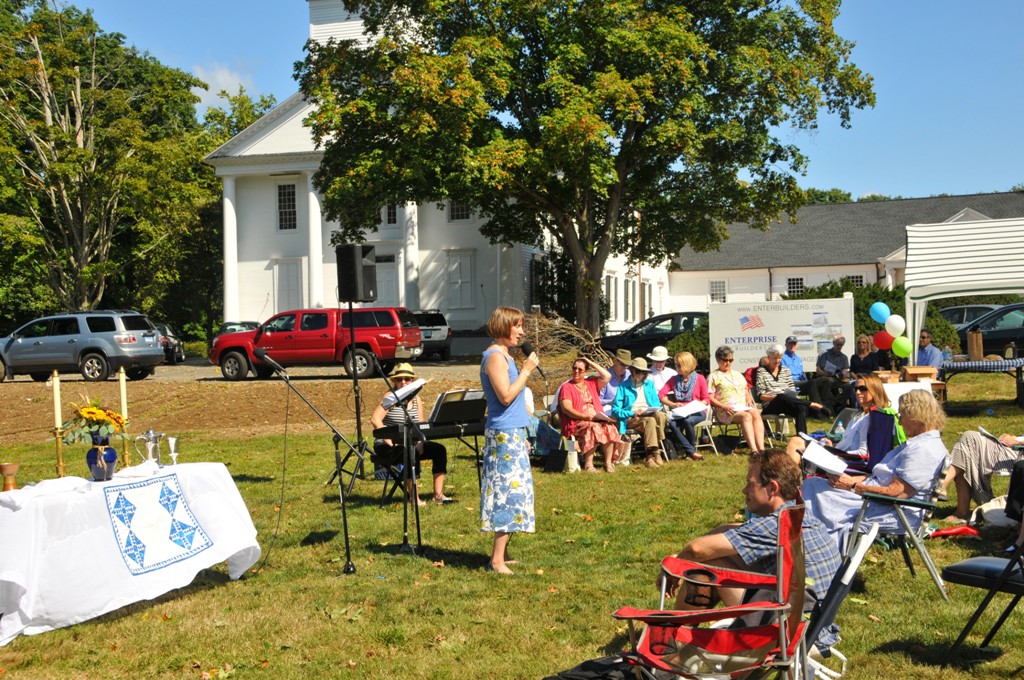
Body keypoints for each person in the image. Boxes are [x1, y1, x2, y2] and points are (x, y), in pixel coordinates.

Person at [660, 450, 840, 644]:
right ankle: (672, 637)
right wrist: (684, 555)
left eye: (750, 484)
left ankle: (667, 640)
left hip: (788, 630)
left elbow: (696, 550)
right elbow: (737, 529)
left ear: (772, 488)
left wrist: (675, 566)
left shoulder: (775, 526)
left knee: (709, 564)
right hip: (814, 625)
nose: (744, 491)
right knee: (712, 560)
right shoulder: (798, 516)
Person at [802, 390, 948, 542]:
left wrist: (853, 486)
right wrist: (848, 479)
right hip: (876, 501)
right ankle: (812, 543)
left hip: (888, 511)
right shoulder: (921, 444)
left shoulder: (924, 449)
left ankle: (814, 545)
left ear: (915, 415)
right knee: (815, 483)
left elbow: (896, 493)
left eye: (901, 416)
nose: (899, 422)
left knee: (814, 489)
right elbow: (883, 478)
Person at [480, 306, 539, 575]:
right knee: (506, 494)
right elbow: (505, 396)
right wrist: (527, 370)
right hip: (502, 434)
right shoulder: (494, 357)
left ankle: (502, 554)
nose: (522, 332)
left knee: (516, 494)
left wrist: (523, 434)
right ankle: (496, 561)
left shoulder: (505, 356)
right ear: (504, 326)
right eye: (517, 326)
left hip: (513, 432)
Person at [370, 363, 451, 506]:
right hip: (388, 446)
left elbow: (420, 423)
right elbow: (375, 419)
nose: (403, 382)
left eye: (407, 379)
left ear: (412, 381)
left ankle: (438, 494)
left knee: (439, 450)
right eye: (399, 379)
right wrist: (388, 439)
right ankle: (414, 498)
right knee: (410, 453)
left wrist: (420, 442)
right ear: (394, 381)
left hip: (411, 442)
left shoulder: (417, 399)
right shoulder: (390, 397)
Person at [784, 374, 903, 466]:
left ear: (875, 390)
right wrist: (833, 446)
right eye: (856, 388)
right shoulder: (859, 415)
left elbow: (864, 453)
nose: (857, 392)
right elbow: (849, 443)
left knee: (796, 442)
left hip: (845, 462)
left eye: (863, 389)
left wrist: (835, 454)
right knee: (797, 442)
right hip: (840, 454)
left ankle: (788, 483)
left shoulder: (872, 417)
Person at [938, 430, 1024, 523]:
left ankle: (941, 485)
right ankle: (959, 508)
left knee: (970, 446)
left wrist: (1017, 440)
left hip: (1019, 452)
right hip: (1017, 447)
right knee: (969, 437)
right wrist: (1016, 437)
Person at [557, 356, 621, 473]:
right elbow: (566, 409)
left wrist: (590, 362)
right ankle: (589, 464)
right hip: (575, 422)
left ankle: (608, 463)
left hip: (595, 418)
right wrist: (584, 416)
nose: (576, 371)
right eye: (574, 368)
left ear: (586, 371)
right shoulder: (567, 387)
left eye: (580, 369)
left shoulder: (591, 383)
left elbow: (607, 376)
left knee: (610, 427)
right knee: (593, 427)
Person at [754, 345, 828, 438]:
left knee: (800, 407)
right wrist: (778, 398)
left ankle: (802, 438)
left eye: (780, 358)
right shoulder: (761, 371)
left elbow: (791, 389)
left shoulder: (785, 370)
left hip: (787, 403)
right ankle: (812, 404)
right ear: (768, 357)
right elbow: (761, 395)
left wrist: (790, 396)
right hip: (770, 404)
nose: (777, 361)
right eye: (775, 358)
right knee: (780, 396)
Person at [610, 357, 670, 468]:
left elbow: (657, 404)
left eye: (643, 372)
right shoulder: (623, 386)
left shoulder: (649, 384)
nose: (640, 374)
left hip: (648, 413)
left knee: (661, 416)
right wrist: (632, 413)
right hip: (631, 417)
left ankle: (654, 452)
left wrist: (650, 410)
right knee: (650, 421)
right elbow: (615, 410)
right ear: (632, 370)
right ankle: (651, 454)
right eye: (638, 371)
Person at [708, 345, 765, 452]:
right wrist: (723, 406)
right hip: (725, 410)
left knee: (756, 413)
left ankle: (761, 448)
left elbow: (745, 389)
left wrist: (748, 399)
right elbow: (710, 398)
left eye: (731, 360)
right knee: (746, 416)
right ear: (718, 360)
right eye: (725, 360)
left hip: (742, 406)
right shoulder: (713, 376)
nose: (728, 363)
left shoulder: (738, 374)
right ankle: (754, 450)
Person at [659, 351, 708, 461]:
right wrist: (672, 404)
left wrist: (695, 405)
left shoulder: (699, 378)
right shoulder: (674, 379)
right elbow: (661, 395)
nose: (676, 367)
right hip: (680, 412)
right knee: (672, 424)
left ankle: (690, 451)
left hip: (697, 412)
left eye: (679, 365)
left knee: (688, 421)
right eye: (676, 364)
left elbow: (706, 399)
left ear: (687, 365)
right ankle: (691, 451)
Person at [805, 336, 849, 412]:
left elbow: (845, 371)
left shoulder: (844, 357)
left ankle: (839, 408)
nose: (839, 346)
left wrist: (843, 374)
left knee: (847, 386)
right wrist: (825, 373)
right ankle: (828, 407)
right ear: (833, 343)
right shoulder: (825, 354)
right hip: (824, 377)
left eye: (841, 345)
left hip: (837, 379)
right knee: (828, 381)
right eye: (837, 344)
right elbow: (818, 370)